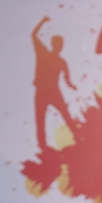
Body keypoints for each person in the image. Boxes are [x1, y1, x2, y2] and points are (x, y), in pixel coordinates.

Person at [31, 16, 78, 151]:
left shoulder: (61, 62)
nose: (60, 47)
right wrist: (42, 21)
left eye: (61, 45)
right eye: (58, 44)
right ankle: (42, 145)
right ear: (53, 44)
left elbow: (67, 78)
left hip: (53, 91)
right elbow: (33, 35)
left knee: (65, 114)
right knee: (40, 119)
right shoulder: (43, 53)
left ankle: (77, 134)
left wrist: (71, 85)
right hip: (42, 91)